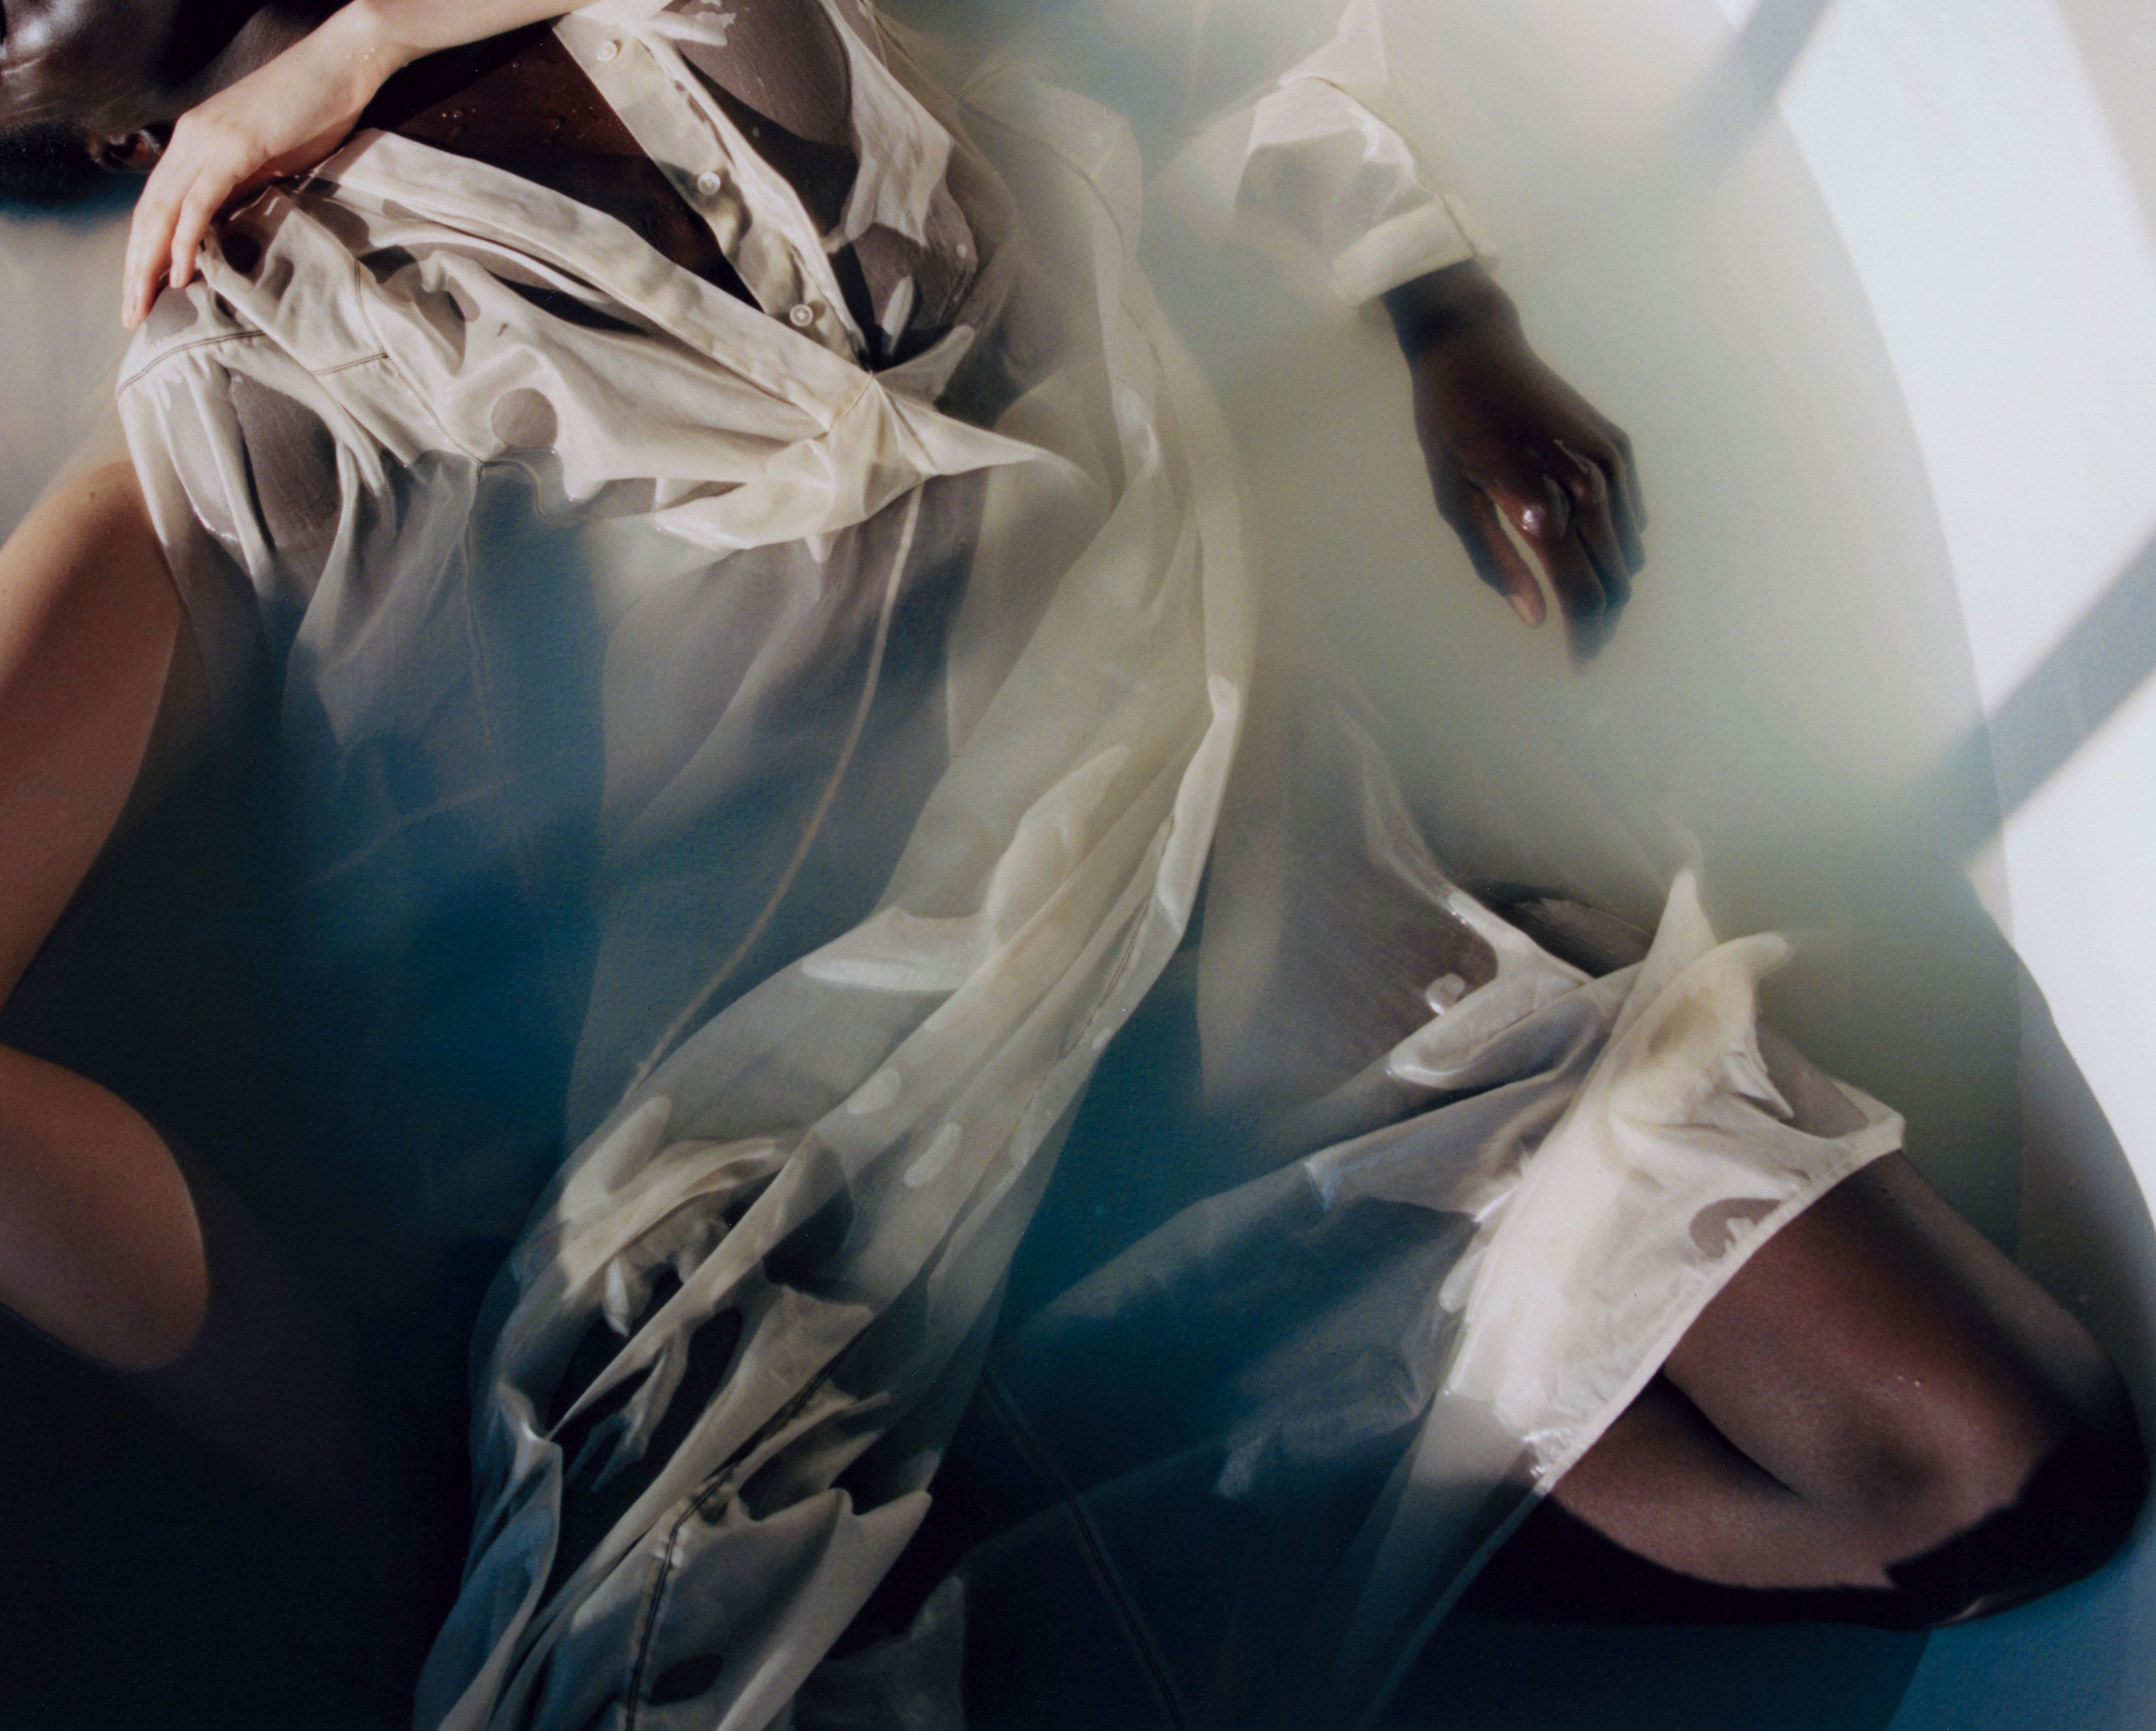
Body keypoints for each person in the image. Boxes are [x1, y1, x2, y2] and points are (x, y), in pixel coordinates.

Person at [0, 1, 2144, 1726]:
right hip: (864, 1150)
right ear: (90, 145)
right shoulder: (227, 405)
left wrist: (1442, 313)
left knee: (2004, 1464)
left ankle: (1305, 1411)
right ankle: (1162, 1457)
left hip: (1289, 919)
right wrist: (327, 1448)